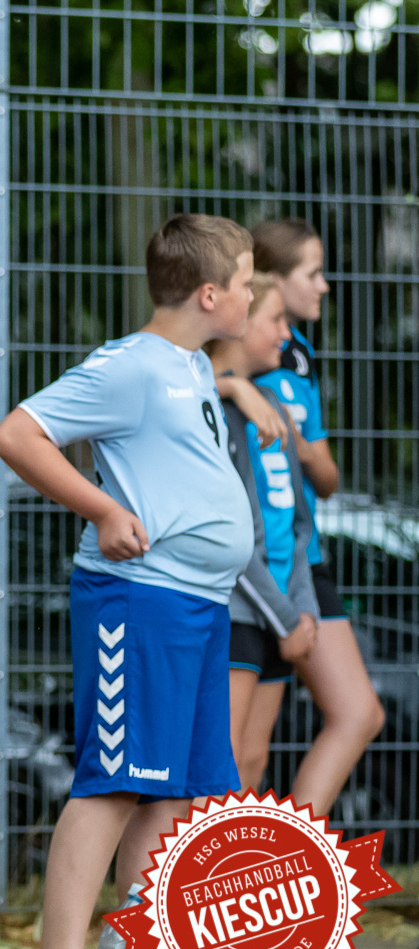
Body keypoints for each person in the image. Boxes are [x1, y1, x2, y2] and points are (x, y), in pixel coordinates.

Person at [0, 214, 256, 949]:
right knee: (112, 782)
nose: (253, 293)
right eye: (247, 281)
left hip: (200, 603)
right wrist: (102, 509)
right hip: (138, 600)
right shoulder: (132, 366)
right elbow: (18, 433)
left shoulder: (194, 368)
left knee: (171, 793)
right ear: (210, 294)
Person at [249, 219, 384, 817]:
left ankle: (295, 860)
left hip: (302, 565)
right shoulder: (231, 363)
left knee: (358, 713)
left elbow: (325, 480)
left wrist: (301, 446)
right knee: (244, 754)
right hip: (253, 569)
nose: (324, 286)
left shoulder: (295, 358)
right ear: (268, 282)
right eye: (313, 273)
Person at [206, 274, 320, 790]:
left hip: (281, 611)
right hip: (240, 611)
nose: (286, 334)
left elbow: (298, 524)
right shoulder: (213, 406)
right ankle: (186, 873)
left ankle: (236, 872)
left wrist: (301, 613)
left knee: (252, 760)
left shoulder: (269, 407)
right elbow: (231, 535)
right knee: (220, 763)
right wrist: (282, 615)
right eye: (275, 320)